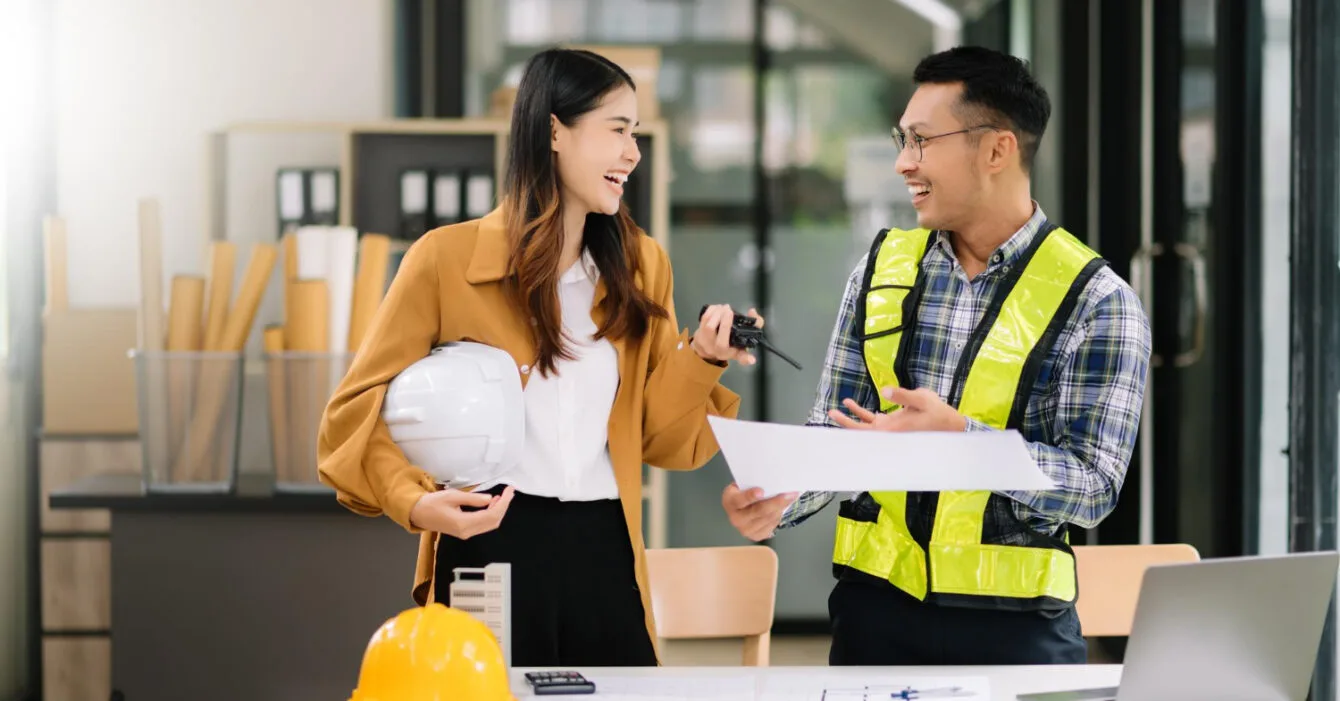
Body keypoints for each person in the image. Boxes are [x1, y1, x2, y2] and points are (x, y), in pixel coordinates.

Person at [317, 47, 759, 668]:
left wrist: (703, 358)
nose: (633, 153)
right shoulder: (444, 260)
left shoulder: (642, 263)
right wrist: (414, 502)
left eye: (635, 132)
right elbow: (352, 416)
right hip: (490, 542)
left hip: (606, 544)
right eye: (618, 129)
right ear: (554, 129)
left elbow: (658, 441)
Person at [721, 45, 1152, 666]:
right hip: (872, 614)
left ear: (998, 149)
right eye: (903, 140)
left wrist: (965, 442)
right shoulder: (882, 267)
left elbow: (1093, 487)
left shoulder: (1096, 299)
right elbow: (835, 430)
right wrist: (780, 494)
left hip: (1016, 632)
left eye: (921, 141)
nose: (903, 163)